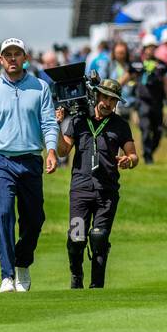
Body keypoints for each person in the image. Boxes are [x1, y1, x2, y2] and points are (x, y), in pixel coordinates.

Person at [0, 38, 58, 293]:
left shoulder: (40, 87)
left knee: (35, 219)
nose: (12, 58)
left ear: (25, 58)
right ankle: (7, 274)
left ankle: (23, 262)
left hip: (31, 160)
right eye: (7, 54)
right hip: (0, 162)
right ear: (0, 60)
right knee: (4, 216)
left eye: (16, 54)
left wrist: (51, 150)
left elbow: (49, 123)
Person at [56, 79, 138, 289]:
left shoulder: (120, 125)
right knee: (76, 238)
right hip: (80, 189)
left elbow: (133, 155)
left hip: (107, 191)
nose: (108, 103)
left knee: (99, 237)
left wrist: (129, 160)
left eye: (113, 100)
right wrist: (57, 125)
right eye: (105, 97)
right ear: (96, 96)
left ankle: (97, 285)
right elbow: (63, 151)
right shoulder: (79, 121)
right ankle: (76, 276)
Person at [135, 39, 167, 162]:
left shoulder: (162, 65)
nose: (151, 50)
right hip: (143, 102)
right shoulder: (137, 64)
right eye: (149, 47)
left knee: (158, 131)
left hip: (158, 102)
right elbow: (128, 76)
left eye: (154, 47)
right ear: (144, 48)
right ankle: (148, 157)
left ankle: (149, 152)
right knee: (146, 129)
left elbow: (166, 84)